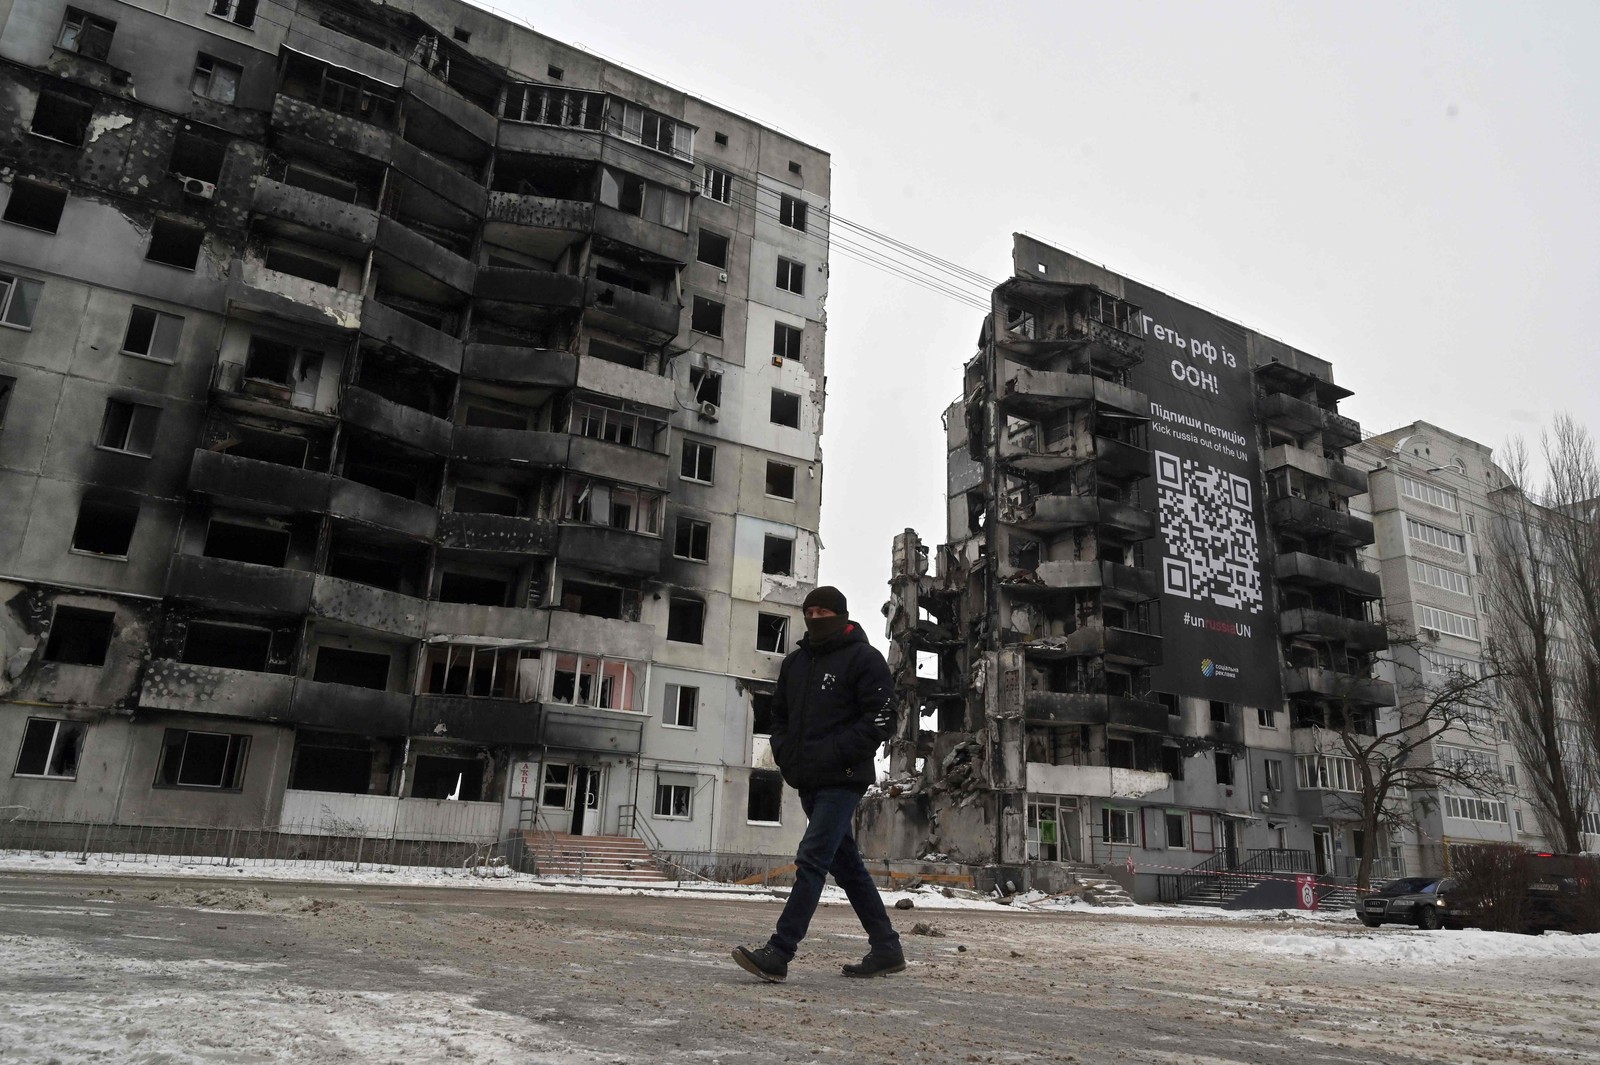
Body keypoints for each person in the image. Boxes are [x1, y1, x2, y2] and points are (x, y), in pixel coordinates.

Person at [732, 586, 904, 983]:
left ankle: (779, 951)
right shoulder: (795, 664)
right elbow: (778, 717)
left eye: (823, 610)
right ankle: (886, 947)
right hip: (807, 779)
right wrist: (785, 754)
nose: (815, 616)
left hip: (844, 779)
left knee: (811, 859)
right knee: (847, 866)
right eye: (809, 610)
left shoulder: (864, 659)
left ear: (841, 614)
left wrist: (835, 752)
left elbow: (881, 718)